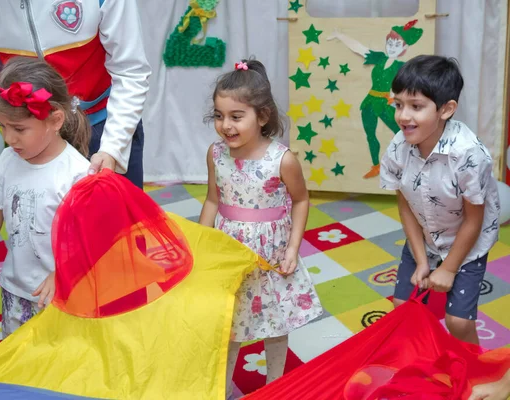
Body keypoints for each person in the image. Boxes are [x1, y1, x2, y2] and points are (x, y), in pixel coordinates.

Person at [0, 0, 151, 241]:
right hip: (34, 138)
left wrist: (112, 147)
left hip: (106, 123)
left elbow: (130, 71)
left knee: (121, 241)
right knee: (48, 242)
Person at [199, 58, 323, 399]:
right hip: (229, 254)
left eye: (236, 116)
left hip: (270, 256)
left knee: (276, 324)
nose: (225, 125)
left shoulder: (282, 160)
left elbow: (300, 201)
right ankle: (220, 391)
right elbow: (212, 199)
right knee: (228, 326)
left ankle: (276, 387)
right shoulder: (216, 154)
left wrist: (293, 249)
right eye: (219, 116)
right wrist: (202, 244)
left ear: (263, 116)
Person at [0, 57, 92, 338]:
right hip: (15, 289)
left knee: (59, 364)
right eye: (2, 127)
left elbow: (88, 240)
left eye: (19, 129)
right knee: (20, 364)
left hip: (62, 291)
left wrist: (61, 274)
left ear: (55, 120)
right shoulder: (7, 160)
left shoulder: (77, 174)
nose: (9, 138)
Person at [380, 55, 500, 345]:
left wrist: (447, 269)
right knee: (403, 308)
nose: (403, 116)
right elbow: (405, 203)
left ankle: (472, 371)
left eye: (416, 106)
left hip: (466, 243)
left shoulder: (469, 155)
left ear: (446, 110)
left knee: (458, 322)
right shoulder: (399, 145)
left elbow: (475, 219)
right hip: (423, 237)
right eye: (399, 104)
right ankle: (425, 360)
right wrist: (422, 261)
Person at [327, 19, 423, 179]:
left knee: (401, 133)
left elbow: (410, 85)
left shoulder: (402, 66)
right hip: (370, 102)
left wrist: (396, 99)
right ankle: (376, 166)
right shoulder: (379, 58)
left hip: (387, 104)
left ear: (404, 48)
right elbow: (360, 48)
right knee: (370, 135)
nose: (392, 47)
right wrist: (340, 35)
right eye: (390, 43)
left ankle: (410, 165)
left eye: (397, 44)